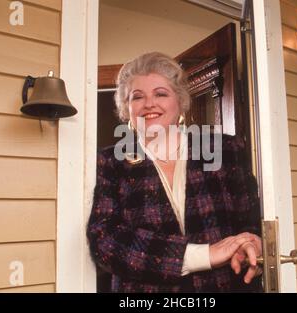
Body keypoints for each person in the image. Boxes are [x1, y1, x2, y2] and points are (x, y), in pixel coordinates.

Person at [87, 52, 263, 292]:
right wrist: (203, 255)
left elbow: (252, 221)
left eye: (161, 93)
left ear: (180, 102)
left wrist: (251, 245)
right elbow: (105, 242)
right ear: (126, 110)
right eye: (137, 97)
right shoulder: (109, 162)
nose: (149, 104)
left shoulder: (224, 149)